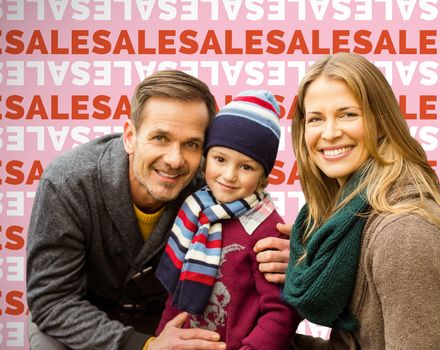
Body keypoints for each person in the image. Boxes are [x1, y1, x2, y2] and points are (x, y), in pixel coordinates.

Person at [25, 70, 285, 350]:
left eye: (191, 144)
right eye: (161, 138)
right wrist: (145, 346)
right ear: (129, 136)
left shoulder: (213, 185)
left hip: (169, 319)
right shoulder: (69, 183)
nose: (174, 160)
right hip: (81, 320)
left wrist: (295, 259)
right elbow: (52, 300)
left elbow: (259, 232)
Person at [283, 53, 440, 349]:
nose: (329, 133)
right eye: (316, 118)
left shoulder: (403, 232)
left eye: (348, 114)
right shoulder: (351, 222)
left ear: (381, 121)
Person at [154, 90, 300, 348]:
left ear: (263, 176)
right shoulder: (194, 211)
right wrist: (160, 339)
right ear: (205, 158)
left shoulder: (266, 230)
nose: (229, 175)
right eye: (220, 159)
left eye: (246, 166)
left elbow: (281, 312)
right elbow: (176, 295)